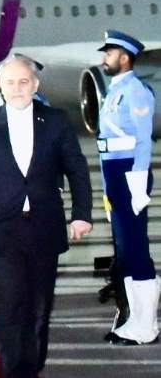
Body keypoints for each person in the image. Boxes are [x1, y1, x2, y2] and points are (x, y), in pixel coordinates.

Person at [0, 54, 92, 378]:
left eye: (23, 82)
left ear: (35, 84)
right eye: (10, 82)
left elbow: (76, 169)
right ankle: (11, 369)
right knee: (9, 304)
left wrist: (81, 214)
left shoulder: (56, 121)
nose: (17, 88)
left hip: (44, 228)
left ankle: (31, 367)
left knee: (39, 306)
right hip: (0, 229)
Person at [96, 30, 159, 345]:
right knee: (126, 251)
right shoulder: (114, 91)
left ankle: (146, 326)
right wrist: (107, 188)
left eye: (109, 53)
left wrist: (137, 182)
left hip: (129, 172)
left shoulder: (135, 90)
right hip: (115, 174)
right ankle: (134, 320)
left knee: (136, 249)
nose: (104, 59)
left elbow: (143, 139)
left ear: (124, 57)